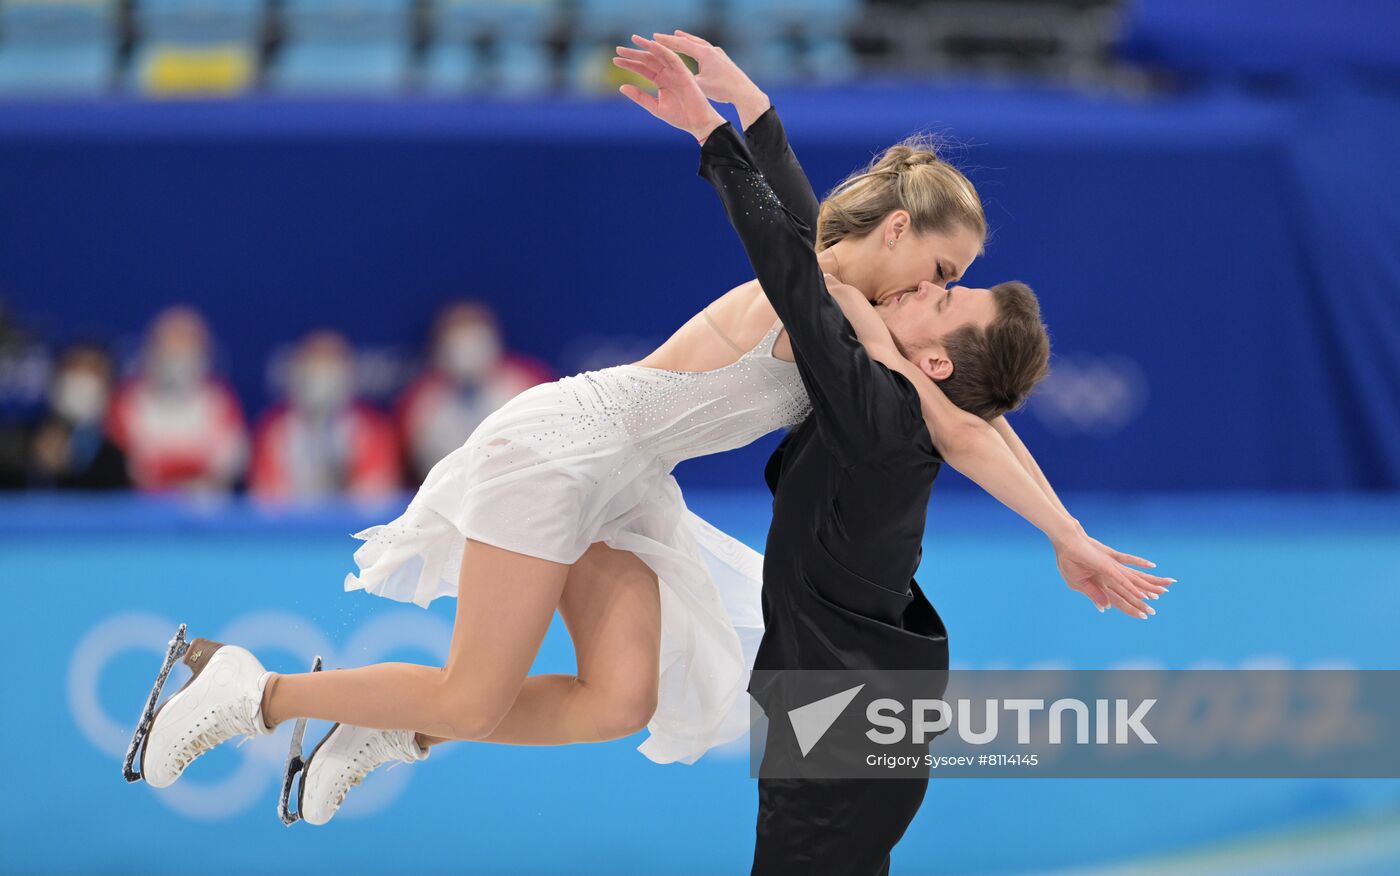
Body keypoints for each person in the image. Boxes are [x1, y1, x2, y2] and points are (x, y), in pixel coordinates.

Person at [127, 35, 1163, 833]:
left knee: (617, 698)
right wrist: (723, 128)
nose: (940, 293)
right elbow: (801, 238)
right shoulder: (831, 302)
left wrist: (751, 109)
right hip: (563, 450)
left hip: (622, 484)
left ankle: (384, 728)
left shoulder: (851, 310)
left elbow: (961, 419)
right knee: (476, 690)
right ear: (895, 236)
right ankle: (250, 690)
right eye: (939, 273)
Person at [396, 302, 551, 483]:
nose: (467, 349)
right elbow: (405, 468)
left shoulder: (528, 384)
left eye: (475, 337)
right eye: (456, 340)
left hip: (522, 486)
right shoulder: (419, 400)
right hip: (446, 495)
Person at [106, 306, 248, 493]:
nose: (176, 357)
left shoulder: (221, 402)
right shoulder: (126, 402)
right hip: (141, 509)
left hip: (204, 510)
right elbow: (128, 465)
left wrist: (181, 474)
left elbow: (229, 463)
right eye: (168, 347)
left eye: (185, 346)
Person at [250, 330, 401, 501]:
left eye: (330, 364)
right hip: (291, 525)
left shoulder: (373, 429)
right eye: (312, 365)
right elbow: (267, 500)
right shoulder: (274, 430)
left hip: (350, 526)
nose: (321, 375)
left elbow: (374, 499)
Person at [23, 343, 129, 490]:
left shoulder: (116, 456)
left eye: (93, 370)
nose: (82, 380)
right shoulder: (24, 440)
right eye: (75, 367)